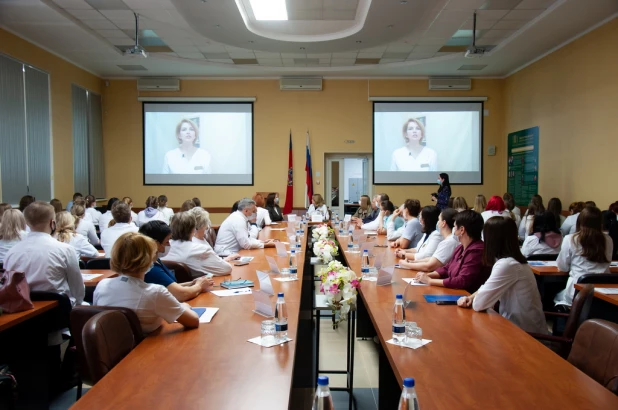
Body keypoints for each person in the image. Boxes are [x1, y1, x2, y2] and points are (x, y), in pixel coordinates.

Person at [94, 232, 199, 333]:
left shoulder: (102, 285)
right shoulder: (155, 292)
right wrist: (184, 307)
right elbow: (193, 321)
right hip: (145, 346)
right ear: (147, 259)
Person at [456, 217, 548, 334]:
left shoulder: (507, 265)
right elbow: (486, 287)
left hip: (525, 335)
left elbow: (479, 304)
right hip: (515, 328)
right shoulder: (511, 261)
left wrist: (473, 299)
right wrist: (470, 297)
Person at [4, 201, 84, 305]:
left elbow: (8, 286)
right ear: (52, 223)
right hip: (60, 311)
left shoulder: (11, 253)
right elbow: (77, 287)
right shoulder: (65, 250)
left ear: (27, 223)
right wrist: (77, 303)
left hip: (24, 312)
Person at [415, 210, 489, 294]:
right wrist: (428, 276)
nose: (453, 230)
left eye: (454, 227)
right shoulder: (460, 247)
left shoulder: (477, 251)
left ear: (462, 230)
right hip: (454, 292)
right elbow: (447, 268)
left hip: (467, 296)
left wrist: (430, 281)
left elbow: (462, 280)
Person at [139, 221, 214, 302]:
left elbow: (169, 287)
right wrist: (199, 286)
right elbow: (180, 294)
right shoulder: (151, 269)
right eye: (167, 241)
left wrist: (192, 283)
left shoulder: (155, 260)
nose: (169, 245)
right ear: (155, 244)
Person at [554, 206, 613, 307]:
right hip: (603, 292)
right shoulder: (608, 240)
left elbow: (562, 267)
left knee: (556, 296)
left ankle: (564, 321)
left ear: (580, 221)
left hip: (577, 292)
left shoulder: (571, 239)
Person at [163, 212, 236, 278]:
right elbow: (226, 269)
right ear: (193, 230)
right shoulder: (200, 250)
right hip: (194, 289)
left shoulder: (163, 247)